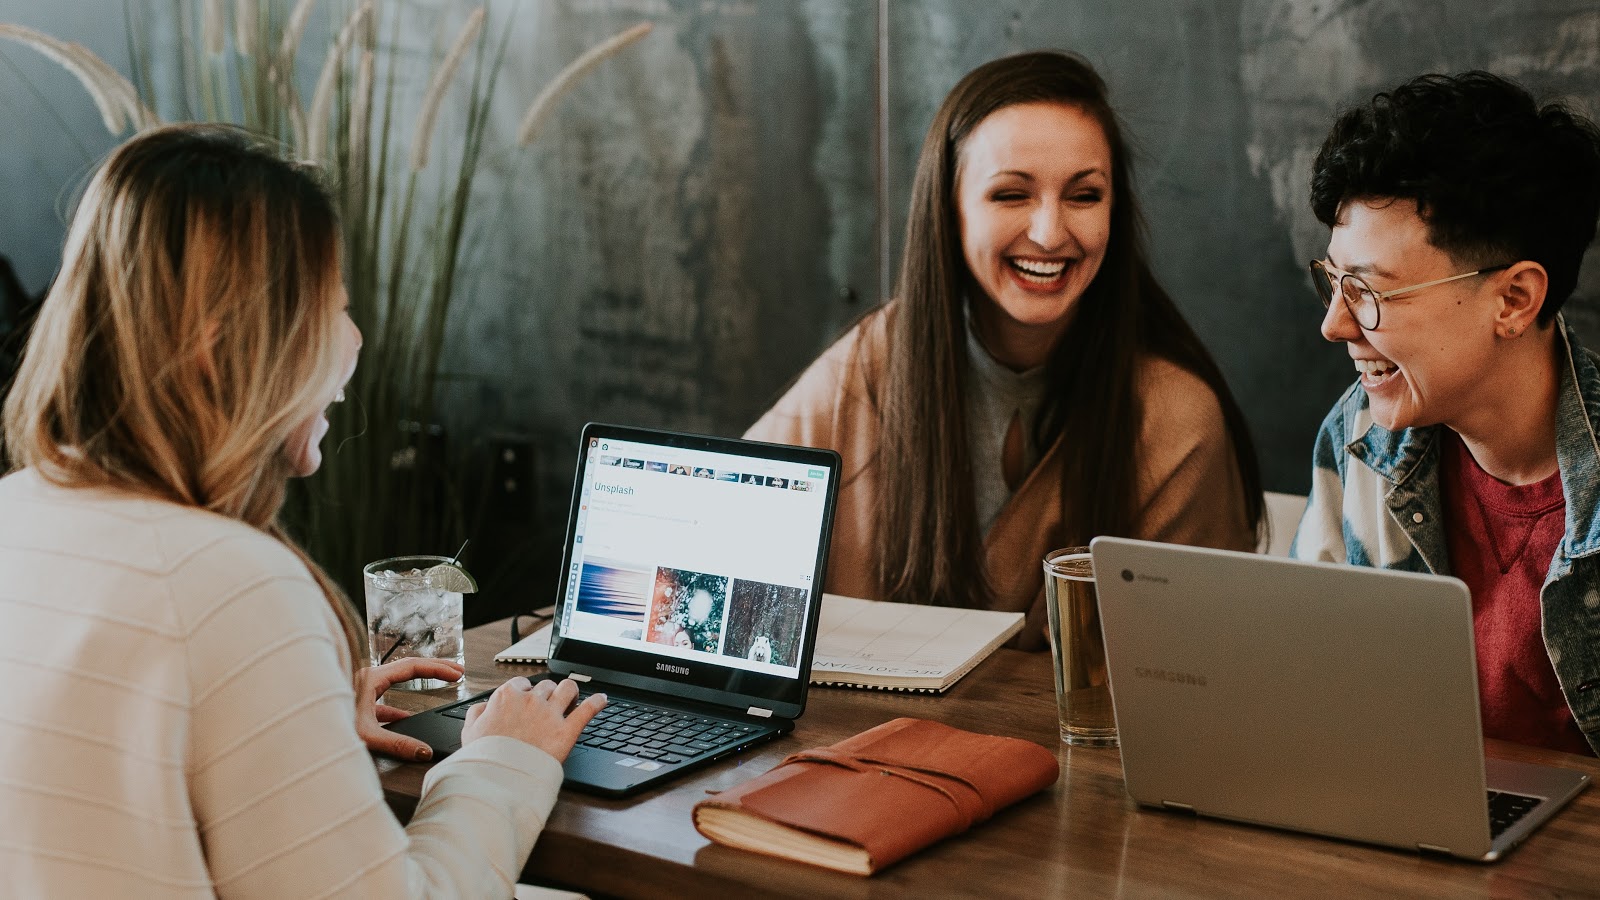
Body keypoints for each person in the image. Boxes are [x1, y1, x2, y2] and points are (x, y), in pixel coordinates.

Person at [0, 124, 606, 895]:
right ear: (224, 349)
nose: (353, 339)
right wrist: (505, 758)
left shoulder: (16, 513)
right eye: (332, 307)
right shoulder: (232, 584)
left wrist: (293, 720)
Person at [746, 51, 1262, 649]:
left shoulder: (1177, 419)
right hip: (858, 741)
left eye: (1084, 195)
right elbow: (720, 531)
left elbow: (1194, 676)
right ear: (950, 210)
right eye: (1011, 195)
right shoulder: (868, 366)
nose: (1049, 232)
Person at [1292, 72, 1600, 756]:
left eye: (1369, 292)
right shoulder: (1358, 437)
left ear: (1514, 300)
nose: (1336, 325)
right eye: (1333, 283)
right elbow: (1303, 692)